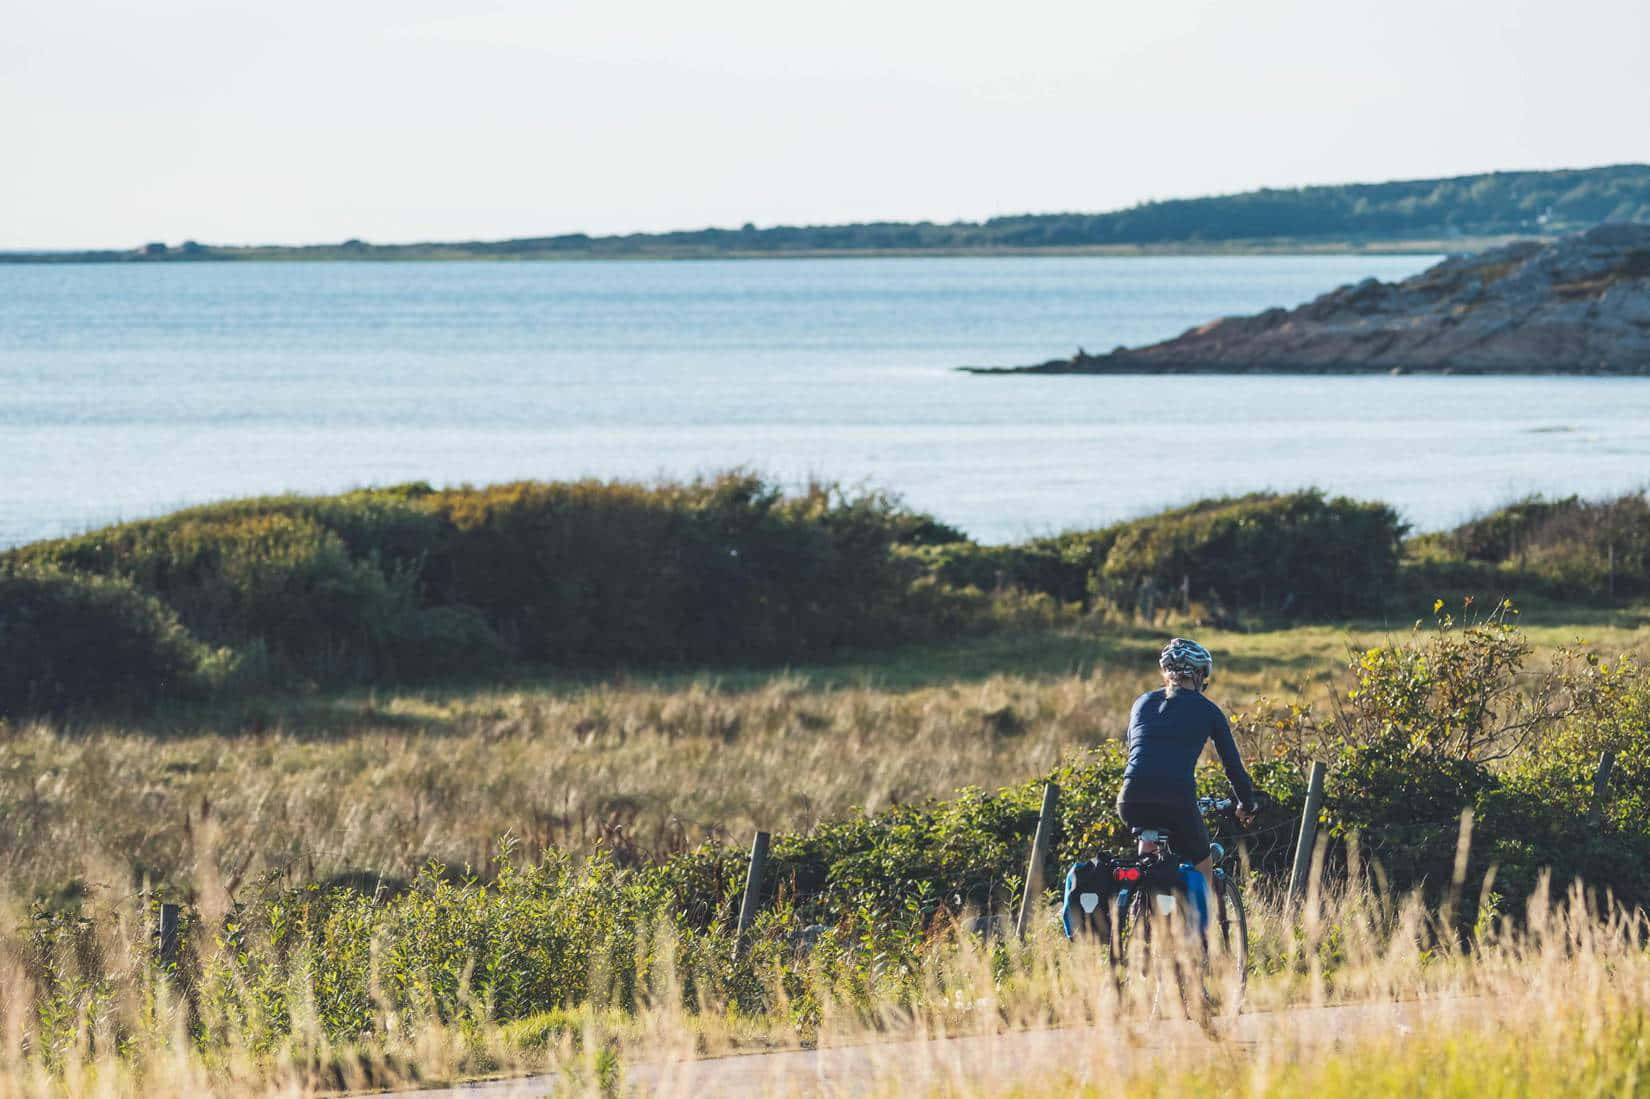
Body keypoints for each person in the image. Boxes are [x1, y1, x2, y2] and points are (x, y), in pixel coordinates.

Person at [1118, 637, 1258, 902]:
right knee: (1201, 858)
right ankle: (1202, 938)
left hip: (1130, 799)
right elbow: (1232, 767)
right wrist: (1247, 803)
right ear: (1196, 674)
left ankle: (1140, 913)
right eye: (1203, 678)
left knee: (1146, 867)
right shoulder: (1208, 710)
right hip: (1176, 800)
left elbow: (1136, 753)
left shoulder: (1142, 703)